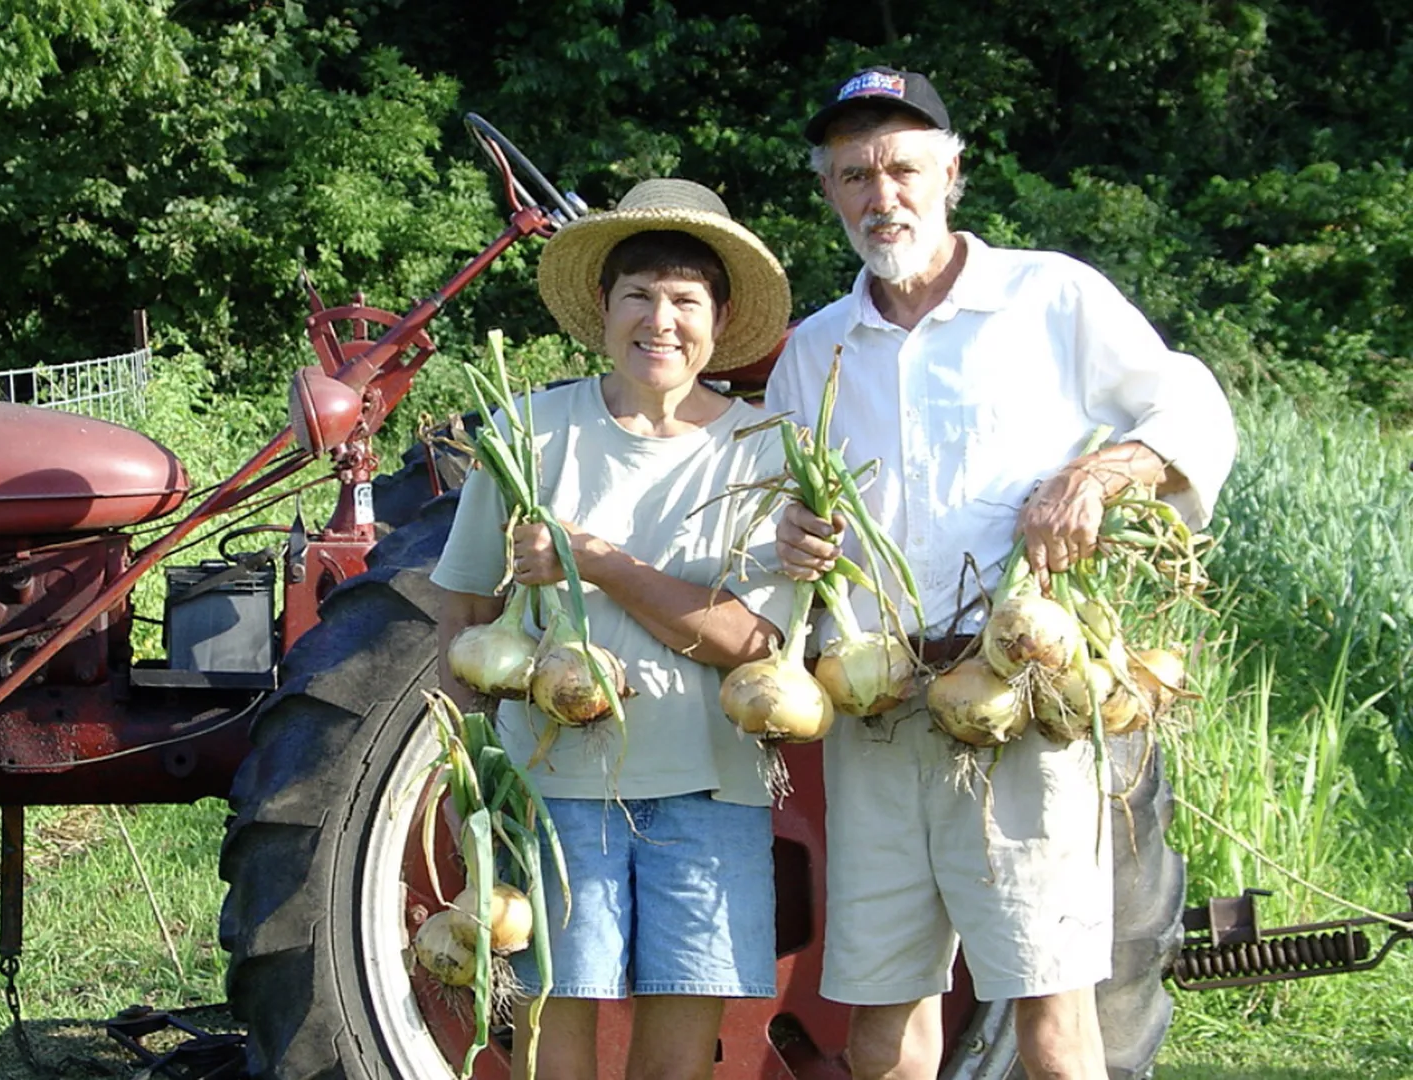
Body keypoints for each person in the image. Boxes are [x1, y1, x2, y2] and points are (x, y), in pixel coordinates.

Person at [771, 67, 1238, 1080]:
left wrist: (1103, 473)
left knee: (1051, 1008)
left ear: (952, 172)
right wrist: (792, 535)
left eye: (901, 167)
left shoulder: (1050, 296)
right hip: (878, 708)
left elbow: (1191, 407)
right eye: (854, 175)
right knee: (884, 1011)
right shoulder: (812, 350)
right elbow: (773, 510)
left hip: (1022, 698)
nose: (880, 195)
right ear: (829, 194)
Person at [431, 178, 795, 1080]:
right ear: (603, 306)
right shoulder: (529, 432)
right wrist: (466, 775)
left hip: (712, 785)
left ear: (720, 318)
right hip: (554, 787)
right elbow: (468, 612)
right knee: (555, 1042)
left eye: (684, 300)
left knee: (678, 1057)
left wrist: (598, 562)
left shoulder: (765, 450)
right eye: (638, 295)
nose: (659, 321)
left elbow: (754, 646)